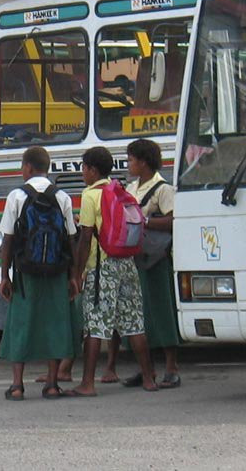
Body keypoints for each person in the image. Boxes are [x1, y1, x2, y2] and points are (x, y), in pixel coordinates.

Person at [67, 146, 158, 396]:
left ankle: (87, 383)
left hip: (102, 266)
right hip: (127, 263)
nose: (83, 173)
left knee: (95, 325)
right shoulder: (120, 190)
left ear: (93, 170)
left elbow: (85, 238)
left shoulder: (90, 196)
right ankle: (149, 378)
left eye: (84, 168)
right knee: (134, 322)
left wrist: (77, 273)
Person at [0, 146, 79, 400]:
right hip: (56, 270)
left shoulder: (16, 196)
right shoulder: (62, 197)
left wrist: (4, 276)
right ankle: (52, 384)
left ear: (28, 167)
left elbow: (8, 240)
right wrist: (74, 275)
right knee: (55, 323)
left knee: (21, 323)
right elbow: (71, 239)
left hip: (26, 271)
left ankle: (18, 385)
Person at [108, 139, 181, 389]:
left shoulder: (163, 189)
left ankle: (171, 367)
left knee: (162, 310)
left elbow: (173, 220)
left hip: (157, 258)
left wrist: (145, 221)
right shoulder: (131, 187)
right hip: (136, 256)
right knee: (141, 313)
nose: (128, 164)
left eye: (131, 160)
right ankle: (145, 368)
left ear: (143, 162)